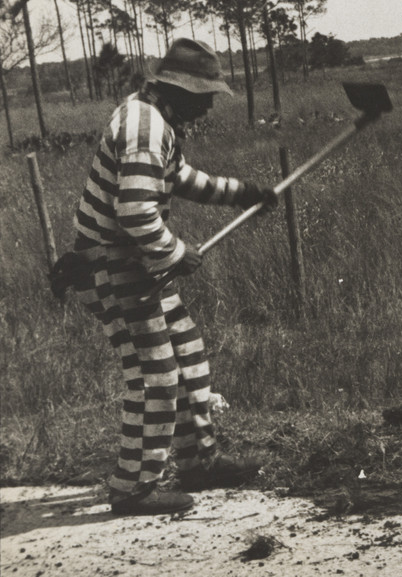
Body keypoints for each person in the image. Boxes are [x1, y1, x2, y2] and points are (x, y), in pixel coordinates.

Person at [69, 38, 278, 516]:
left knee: (187, 354)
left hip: (136, 265)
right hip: (113, 268)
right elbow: (137, 212)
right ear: (177, 89)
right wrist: (176, 252)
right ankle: (132, 488)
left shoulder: (157, 118)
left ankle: (197, 460)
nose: (207, 105)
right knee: (156, 377)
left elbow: (181, 177)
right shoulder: (144, 127)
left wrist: (244, 192)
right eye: (203, 95)